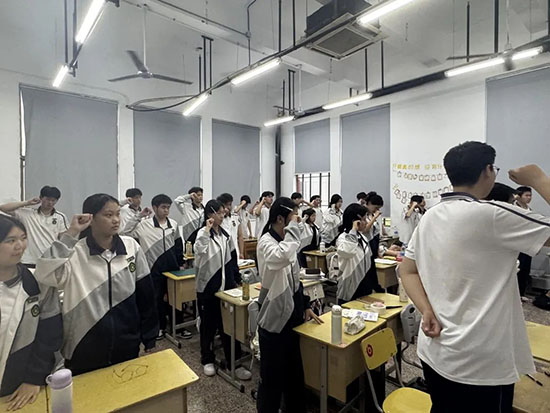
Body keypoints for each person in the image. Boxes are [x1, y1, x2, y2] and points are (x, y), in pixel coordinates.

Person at [400, 141, 550, 413]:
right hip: (479, 362)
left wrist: (426, 310)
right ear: (488, 170)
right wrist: (538, 178)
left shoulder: (431, 216)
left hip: (435, 351)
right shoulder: (493, 215)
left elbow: (406, 270)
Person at [34, 194, 158, 376]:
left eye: (118, 214)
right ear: (90, 218)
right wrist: (69, 235)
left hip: (126, 341)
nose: (116, 220)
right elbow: (43, 274)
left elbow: (146, 295)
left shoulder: (131, 247)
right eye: (108, 215)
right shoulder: (75, 252)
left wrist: (149, 337)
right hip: (83, 345)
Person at [256, 197, 322, 413]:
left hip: (292, 318)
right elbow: (281, 257)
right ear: (280, 219)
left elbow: (296, 279)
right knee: (271, 380)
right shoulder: (266, 242)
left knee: (294, 376)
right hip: (274, 321)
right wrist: (293, 230)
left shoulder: (288, 241)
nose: (297, 221)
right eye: (293, 216)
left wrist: (306, 305)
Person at [0, 216, 62, 411]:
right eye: (10, 240)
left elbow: (49, 336)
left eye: (23, 238)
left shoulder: (38, 284)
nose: (20, 246)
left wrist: (34, 378)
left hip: (16, 386)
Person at [194, 200, 251, 380]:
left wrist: (236, 280)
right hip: (207, 288)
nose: (222, 215)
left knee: (229, 326)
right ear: (210, 214)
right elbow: (198, 250)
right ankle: (207, 359)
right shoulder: (202, 234)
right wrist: (206, 230)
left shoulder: (225, 235)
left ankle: (234, 362)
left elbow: (232, 260)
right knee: (208, 326)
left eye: (222, 212)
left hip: (225, 289)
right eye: (218, 212)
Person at [121, 194, 184, 339]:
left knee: (176, 297)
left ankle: (179, 328)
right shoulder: (144, 225)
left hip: (172, 268)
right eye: (163, 207)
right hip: (153, 268)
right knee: (156, 299)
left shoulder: (173, 224)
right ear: (155, 208)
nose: (166, 210)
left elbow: (178, 245)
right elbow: (124, 232)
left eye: (168, 207)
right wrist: (139, 216)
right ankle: (159, 327)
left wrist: (181, 263)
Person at [0, 186, 68, 267]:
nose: (50, 203)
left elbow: (64, 238)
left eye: (53, 200)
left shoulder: (60, 217)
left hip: (49, 260)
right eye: (47, 199)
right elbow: (3, 208)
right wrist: (27, 202)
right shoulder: (27, 214)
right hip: (28, 260)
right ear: (41, 198)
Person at [335, 203, 374, 304]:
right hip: (350, 287)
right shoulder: (343, 238)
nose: (366, 222)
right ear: (356, 221)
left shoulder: (363, 238)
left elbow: (370, 260)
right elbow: (348, 252)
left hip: (365, 284)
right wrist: (353, 231)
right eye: (364, 219)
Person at [363, 192, 385, 292]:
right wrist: (375, 217)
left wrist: (378, 250)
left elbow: (376, 233)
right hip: (364, 245)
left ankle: (376, 287)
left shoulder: (372, 215)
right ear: (369, 204)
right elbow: (365, 229)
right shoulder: (362, 213)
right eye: (375, 207)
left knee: (372, 269)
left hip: (373, 244)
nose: (377, 210)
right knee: (368, 271)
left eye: (378, 208)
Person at [515, 186, 534, 301]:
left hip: (528, 243)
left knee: (525, 269)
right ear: (519, 196)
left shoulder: (529, 210)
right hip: (517, 243)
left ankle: (521, 293)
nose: (529, 198)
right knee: (517, 268)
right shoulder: (514, 208)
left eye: (530, 195)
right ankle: (513, 294)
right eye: (526, 195)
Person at [217, 193, 245, 259]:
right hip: (222, 253)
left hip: (235, 251)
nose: (229, 207)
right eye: (226, 205)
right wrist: (222, 214)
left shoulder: (235, 217)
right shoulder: (218, 219)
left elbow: (240, 236)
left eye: (230, 204)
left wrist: (241, 253)